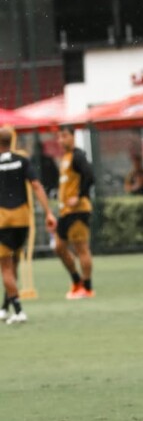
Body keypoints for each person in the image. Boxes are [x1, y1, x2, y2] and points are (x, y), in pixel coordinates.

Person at [0, 125, 57, 324]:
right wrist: (48, 212)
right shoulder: (22, 160)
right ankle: (4, 308)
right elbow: (36, 185)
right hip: (22, 219)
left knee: (5, 268)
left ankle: (18, 311)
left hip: (3, 220)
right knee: (14, 263)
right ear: (11, 141)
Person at [54, 125, 96, 299]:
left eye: (64, 136)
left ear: (72, 137)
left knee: (81, 249)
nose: (61, 140)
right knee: (59, 247)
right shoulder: (65, 157)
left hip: (78, 210)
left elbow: (90, 176)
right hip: (65, 211)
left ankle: (87, 287)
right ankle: (76, 281)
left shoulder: (78, 156)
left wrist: (79, 196)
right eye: (59, 137)